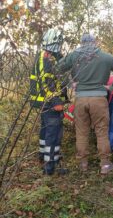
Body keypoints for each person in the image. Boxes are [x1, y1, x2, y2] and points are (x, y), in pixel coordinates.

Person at [57, 33, 113, 174]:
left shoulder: (74, 55)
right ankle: (105, 165)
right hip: (99, 100)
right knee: (101, 132)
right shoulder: (106, 56)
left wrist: (70, 84)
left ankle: (83, 164)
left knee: (82, 132)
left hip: (81, 99)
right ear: (94, 42)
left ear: (82, 43)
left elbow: (58, 68)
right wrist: (112, 88)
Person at [29, 28, 67, 175]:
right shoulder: (45, 59)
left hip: (43, 103)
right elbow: (47, 84)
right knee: (53, 134)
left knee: (45, 132)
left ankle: (44, 157)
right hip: (50, 104)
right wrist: (56, 101)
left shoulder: (42, 57)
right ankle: (50, 167)